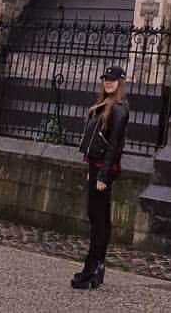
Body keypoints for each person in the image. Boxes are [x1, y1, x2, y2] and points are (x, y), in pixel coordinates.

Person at [72, 65, 129, 289]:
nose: (108, 82)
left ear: (120, 83)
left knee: (99, 220)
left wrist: (104, 175)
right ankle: (97, 267)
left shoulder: (119, 110)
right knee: (97, 217)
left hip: (105, 170)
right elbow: (96, 141)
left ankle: (91, 268)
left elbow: (115, 146)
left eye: (113, 80)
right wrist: (92, 171)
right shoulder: (103, 105)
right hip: (96, 168)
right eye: (106, 79)